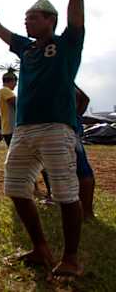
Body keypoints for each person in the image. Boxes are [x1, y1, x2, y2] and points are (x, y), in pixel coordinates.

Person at [0, 0, 85, 276]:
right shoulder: (25, 47)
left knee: (65, 193)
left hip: (56, 128)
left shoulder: (68, 43)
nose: (27, 21)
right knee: (16, 188)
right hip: (23, 130)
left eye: (33, 17)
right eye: (26, 17)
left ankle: (71, 258)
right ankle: (41, 248)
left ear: (51, 21)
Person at [75, 86, 95, 220]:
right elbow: (85, 99)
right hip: (71, 125)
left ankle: (86, 212)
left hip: (65, 127)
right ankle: (86, 210)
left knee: (81, 170)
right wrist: (76, 117)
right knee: (81, 169)